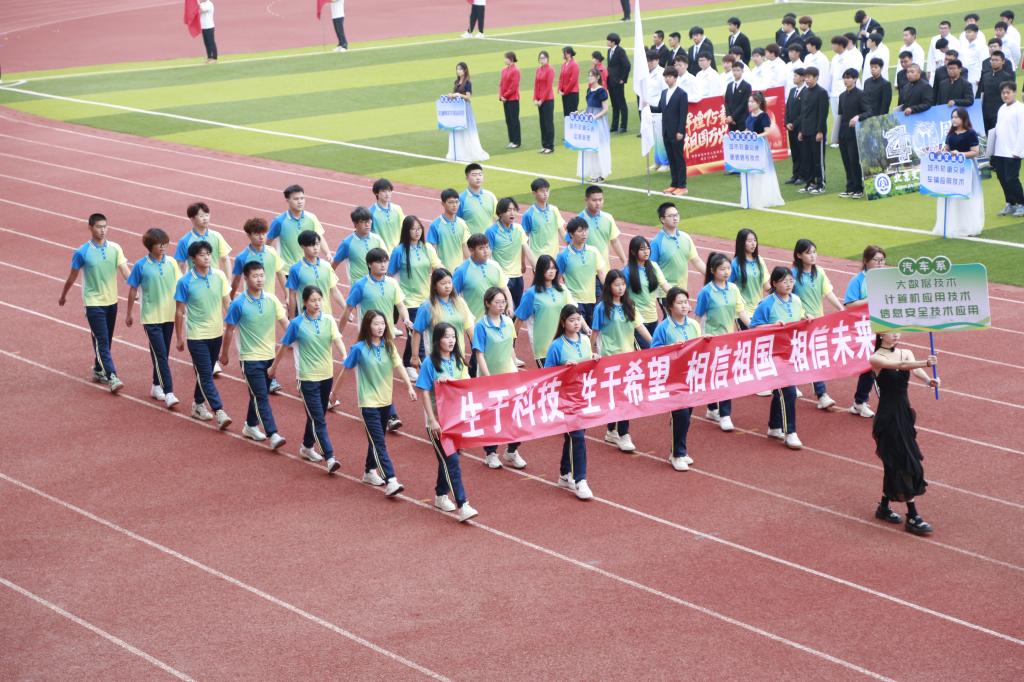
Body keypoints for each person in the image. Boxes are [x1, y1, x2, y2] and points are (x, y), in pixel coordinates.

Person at [337, 310, 416, 496]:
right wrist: (334, 393)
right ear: (368, 326)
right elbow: (345, 371)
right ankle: (391, 480)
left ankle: (369, 471)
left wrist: (409, 387)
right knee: (379, 442)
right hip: (368, 403)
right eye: (376, 324)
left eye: (382, 323)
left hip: (385, 401)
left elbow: (399, 366)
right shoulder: (359, 349)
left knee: (376, 439)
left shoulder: (389, 346)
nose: (380, 327)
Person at [869, 333, 940, 535]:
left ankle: (884, 507)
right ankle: (913, 516)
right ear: (881, 334)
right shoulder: (876, 358)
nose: (895, 335)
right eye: (891, 331)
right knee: (904, 462)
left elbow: (914, 369)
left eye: (897, 331)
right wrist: (926, 362)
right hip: (888, 418)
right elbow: (901, 365)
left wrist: (929, 380)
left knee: (894, 462)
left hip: (904, 416)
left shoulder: (906, 352)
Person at [270, 286, 344, 473]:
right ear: (304, 302)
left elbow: (337, 340)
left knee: (317, 415)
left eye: (319, 299)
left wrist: (344, 356)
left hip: (327, 376)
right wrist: (273, 367)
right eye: (313, 300)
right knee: (318, 418)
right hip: (307, 378)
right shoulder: (297, 324)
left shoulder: (329, 320)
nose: (317, 303)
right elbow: (284, 346)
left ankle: (306, 446)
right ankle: (330, 457)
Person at [59, 212, 130, 393]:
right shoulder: (82, 252)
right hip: (93, 302)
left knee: (105, 340)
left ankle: (98, 369)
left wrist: (134, 289)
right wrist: (64, 295)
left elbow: (124, 270)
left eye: (105, 226)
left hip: (112, 301)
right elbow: (72, 276)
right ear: (90, 228)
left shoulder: (115, 248)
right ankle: (112, 376)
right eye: (99, 227)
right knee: (102, 340)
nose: (103, 230)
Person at [220, 260, 288, 449]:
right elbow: (229, 330)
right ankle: (273, 434)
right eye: (255, 276)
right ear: (246, 278)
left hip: (269, 357)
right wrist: (224, 354)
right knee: (261, 396)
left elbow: (286, 324)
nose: (260, 279)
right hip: (250, 358)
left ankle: (250, 425)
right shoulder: (238, 304)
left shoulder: (272, 300)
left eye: (262, 275)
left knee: (259, 394)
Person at [416, 323, 479, 522]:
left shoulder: (459, 360)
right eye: (446, 337)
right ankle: (463, 504)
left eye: (453, 336)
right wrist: (432, 420)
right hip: (438, 423)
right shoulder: (430, 363)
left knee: (449, 459)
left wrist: (451, 381)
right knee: (451, 461)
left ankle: (440, 494)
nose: (451, 340)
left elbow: (466, 385)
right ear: (437, 340)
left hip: (455, 420)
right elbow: (423, 391)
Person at [592, 270, 652, 452]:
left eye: (623, 285)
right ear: (609, 286)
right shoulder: (602, 308)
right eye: (616, 285)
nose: (620, 288)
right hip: (610, 358)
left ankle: (617, 432)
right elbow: (595, 332)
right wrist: (590, 353)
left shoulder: (629, 305)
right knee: (615, 395)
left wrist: (656, 343)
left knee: (625, 395)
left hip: (628, 359)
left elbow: (640, 327)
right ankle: (619, 432)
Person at [173, 240, 231, 428]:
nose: (207, 258)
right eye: (202, 255)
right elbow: (179, 311)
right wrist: (179, 337)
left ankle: (198, 405)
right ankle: (219, 411)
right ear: (192, 259)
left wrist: (234, 325)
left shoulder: (219, 276)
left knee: (203, 372)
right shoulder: (185, 282)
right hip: (197, 335)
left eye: (208, 254)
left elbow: (227, 303)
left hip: (216, 333)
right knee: (206, 374)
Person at [544, 305, 597, 500]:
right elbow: (547, 374)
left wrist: (594, 359)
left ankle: (565, 473)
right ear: (563, 322)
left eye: (578, 319)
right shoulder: (557, 346)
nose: (576, 323)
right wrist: (563, 368)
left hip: (582, 395)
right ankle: (580, 480)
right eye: (572, 320)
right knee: (577, 436)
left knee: (573, 437)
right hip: (565, 399)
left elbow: (587, 363)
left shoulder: (585, 340)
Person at [750, 267, 806, 450]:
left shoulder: (796, 300)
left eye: (791, 280)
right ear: (774, 283)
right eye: (784, 281)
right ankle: (791, 432)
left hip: (791, 353)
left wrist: (807, 318)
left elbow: (800, 319)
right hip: (773, 355)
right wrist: (772, 326)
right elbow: (753, 328)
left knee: (781, 391)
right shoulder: (767, 304)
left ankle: (774, 426)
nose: (789, 284)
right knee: (789, 392)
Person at [472, 287, 527, 469]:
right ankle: (490, 453)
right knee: (492, 417)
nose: (502, 305)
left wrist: (516, 369)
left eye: (503, 302)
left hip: (509, 376)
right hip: (490, 377)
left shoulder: (508, 322)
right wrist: (487, 378)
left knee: (515, 414)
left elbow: (510, 347)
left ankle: (512, 450)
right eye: (497, 302)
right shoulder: (481, 326)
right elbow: (479, 354)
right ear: (487, 303)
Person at [126, 228, 181, 407]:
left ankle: (156, 386)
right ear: (150, 246)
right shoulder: (140, 266)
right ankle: (169, 392)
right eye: (159, 244)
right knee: (161, 355)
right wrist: (129, 313)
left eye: (165, 243)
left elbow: (180, 285)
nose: (163, 247)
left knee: (162, 353)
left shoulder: (172, 263)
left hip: (169, 315)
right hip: (151, 318)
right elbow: (133, 289)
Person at [694, 252, 749, 431]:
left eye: (728, 268)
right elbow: (698, 317)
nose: (726, 272)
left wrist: (753, 327)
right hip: (711, 339)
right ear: (713, 271)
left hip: (729, 339)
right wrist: (698, 338)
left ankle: (724, 413)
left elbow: (741, 312)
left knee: (726, 376)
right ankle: (714, 409)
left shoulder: (733, 289)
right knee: (715, 375)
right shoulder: (706, 292)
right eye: (722, 269)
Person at [650, 287, 702, 471]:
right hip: (672, 379)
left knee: (686, 416)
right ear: (670, 306)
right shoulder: (663, 328)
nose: (684, 306)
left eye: (686, 302)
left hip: (690, 377)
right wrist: (672, 348)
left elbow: (700, 346)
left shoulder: (694, 325)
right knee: (681, 414)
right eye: (680, 303)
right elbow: (654, 352)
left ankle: (679, 448)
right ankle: (677, 454)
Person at [791, 239, 843, 409]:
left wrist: (840, 308)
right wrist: (803, 315)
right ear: (799, 255)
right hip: (800, 323)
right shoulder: (793, 275)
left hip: (818, 323)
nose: (813, 256)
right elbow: (789, 299)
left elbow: (828, 293)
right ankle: (822, 394)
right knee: (810, 357)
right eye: (808, 253)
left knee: (803, 356)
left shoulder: (819, 272)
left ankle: (790, 382)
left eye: (814, 252)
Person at [387, 216, 441, 378]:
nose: (417, 232)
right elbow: (390, 275)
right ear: (406, 231)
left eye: (419, 229)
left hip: (427, 298)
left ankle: (409, 362)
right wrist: (396, 299)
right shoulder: (399, 251)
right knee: (417, 333)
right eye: (413, 229)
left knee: (426, 333)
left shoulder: (427, 248)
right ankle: (418, 366)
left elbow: (438, 267)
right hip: (408, 300)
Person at [844, 245, 887, 418]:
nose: (880, 263)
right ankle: (861, 402)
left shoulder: (887, 278)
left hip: (884, 327)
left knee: (884, 364)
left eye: (882, 260)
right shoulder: (858, 281)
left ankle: (864, 401)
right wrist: (870, 299)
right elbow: (849, 305)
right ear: (866, 261)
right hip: (866, 329)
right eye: (876, 260)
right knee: (870, 366)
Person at [411, 267, 475, 375]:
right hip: (437, 360)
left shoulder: (460, 302)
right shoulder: (427, 307)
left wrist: (478, 349)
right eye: (443, 283)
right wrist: (414, 356)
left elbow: (470, 328)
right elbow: (417, 332)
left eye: (449, 282)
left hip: (459, 357)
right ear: (435, 286)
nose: (447, 286)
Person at [514, 255, 576, 367]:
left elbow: (573, 313)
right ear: (540, 271)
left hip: (563, 345)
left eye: (553, 268)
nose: (551, 271)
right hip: (543, 349)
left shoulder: (562, 290)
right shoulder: (531, 294)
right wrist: (510, 344)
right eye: (547, 268)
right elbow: (519, 320)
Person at [933, 108, 984, 236]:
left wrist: (960, 154)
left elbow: (975, 152)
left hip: (967, 168)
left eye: (956, 117)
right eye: (952, 117)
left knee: (966, 197)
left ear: (963, 118)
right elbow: (947, 149)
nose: (953, 120)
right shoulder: (950, 134)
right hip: (952, 169)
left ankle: (968, 226)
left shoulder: (970, 133)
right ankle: (953, 225)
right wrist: (941, 152)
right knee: (952, 197)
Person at [485, 197, 534, 310]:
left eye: (514, 210)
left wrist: (536, 268)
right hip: (502, 279)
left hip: (517, 277)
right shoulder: (491, 231)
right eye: (508, 210)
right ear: (500, 213)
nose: (512, 213)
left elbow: (527, 250)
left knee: (516, 310)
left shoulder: (519, 229)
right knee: (502, 310)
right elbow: (488, 257)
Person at [555, 216, 607, 324]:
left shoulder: (594, 251)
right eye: (580, 231)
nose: (584, 234)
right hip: (574, 302)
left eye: (585, 230)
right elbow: (556, 280)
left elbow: (602, 274)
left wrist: (609, 292)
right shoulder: (563, 256)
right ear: (571, 234)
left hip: (593, 301)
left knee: (592, 331)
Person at [648, 66, 689, 195]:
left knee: (678, 159)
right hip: (666, 131)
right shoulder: (664, 92)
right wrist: (647, 106)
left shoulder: (682, 94)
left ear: (675, 78)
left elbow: (683, 115)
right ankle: (674, 184)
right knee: (671, 158)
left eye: (669, 77)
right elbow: (660, 109)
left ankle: (682, 186)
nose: (667, 79)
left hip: (677, 132)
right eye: (665, 77)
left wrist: (680, 131)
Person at [285, 230, 344, 318]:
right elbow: (292, 296)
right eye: (311, 245)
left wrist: (345, 309)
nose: (315, 248)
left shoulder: (327, 266)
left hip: (326, 316)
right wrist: (292, 318)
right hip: (305, 318)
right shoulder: (295, 269)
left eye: (317, 244)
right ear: (302, 246)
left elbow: (334, 291)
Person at [622, 236, 668, 346]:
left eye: (647, 248)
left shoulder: (654, 267)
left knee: (655, 350)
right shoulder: (627, 272)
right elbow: (622, 295)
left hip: (653, 318)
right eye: (642, 249)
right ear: (633, 252)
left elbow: (665, 285)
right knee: (646, 350)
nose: (646, 251)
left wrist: (679, 298)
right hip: (637, 321)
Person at [650, 201, 705, 295]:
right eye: (671, 216)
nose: (675, 218)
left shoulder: (686, 237)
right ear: (662, 219)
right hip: (666, 294)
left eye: (676, 215)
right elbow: (651, 267)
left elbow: (696, 261)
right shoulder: (656, 242)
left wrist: (712, 276)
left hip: (683, 292)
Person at [742, 92, 785, 209]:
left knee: (761, 170)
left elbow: (767, 132)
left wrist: (756, 136)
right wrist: (742, 134)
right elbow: (747, 129)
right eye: (749, 101)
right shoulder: (750, 115)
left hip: (760, 146)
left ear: (759, 103)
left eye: (752, 102)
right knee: (751, 171)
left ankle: (764, 198)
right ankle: (753, 197)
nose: (750, 104)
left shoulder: (763, 116)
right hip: (750, 147)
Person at [268, 184, 328, 268]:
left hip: (307, 267)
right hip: (287, 268)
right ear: (287, 200)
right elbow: (268, 242)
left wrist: (328, 253)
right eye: (296, 199)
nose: (300, 202)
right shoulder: (279, 221)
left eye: (302, 198)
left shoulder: (311, 218)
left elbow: (319, 236)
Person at [989, 81, 1024, 217]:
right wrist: (992, 150)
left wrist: (1017, 151)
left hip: (1013, 152)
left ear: (1014, 92)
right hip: (999, 151)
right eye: (1003, 93)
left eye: (1008, 92)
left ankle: (1021, 204)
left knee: (1011, 179)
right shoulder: (1001, 108)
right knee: (1002, 178)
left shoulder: (1020, 109)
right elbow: (998, 130)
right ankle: (1010, 203)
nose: (1005, 95)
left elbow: (1022, 132)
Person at [231, 217, 285, 301]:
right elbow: (236, 281)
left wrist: (287, 295)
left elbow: (280, 274)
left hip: (270, 300)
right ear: (249, 235)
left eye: (263, 234)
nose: (261, 237)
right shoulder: (242, 257)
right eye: (257, 234)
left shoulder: (272, 252)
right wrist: (231, 297)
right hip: (251, 301)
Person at [333, 206, 388, 287]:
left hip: (377, 283)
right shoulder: (347, 243)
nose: (367, 225)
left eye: (369, 221)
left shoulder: (377, 239)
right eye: (363, 222)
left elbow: (386, 259)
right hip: (358, 286)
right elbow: (334, 264)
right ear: (355, 223)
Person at [448, 62, 490, 162]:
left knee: (465, 128)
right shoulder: (456, 82)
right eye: (457, 69)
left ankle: (467, 151)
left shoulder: (467, 83)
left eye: (460, 69)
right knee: (457, 129)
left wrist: (458, 95)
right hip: (457, 108)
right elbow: (455, 94)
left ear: (465, 70)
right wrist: (451, 95)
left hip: (465, 108)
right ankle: (459, 151)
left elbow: (468, 97)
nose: (458, 71)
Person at [578, 185, 626, 274]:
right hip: (586, 271)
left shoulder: (608, 218)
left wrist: (624, 261)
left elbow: (614, 241)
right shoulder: (579, 220)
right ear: (586, 200)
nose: (598, 203)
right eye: (594, 200)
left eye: (600, 200)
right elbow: (570, 244)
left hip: (604, 270)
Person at [797, 66, 830, 194]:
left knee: (818, 160)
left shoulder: (821, 92)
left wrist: (820, 131)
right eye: (805, 77)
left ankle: (821, 184)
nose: (807, 79)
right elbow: (803, 113)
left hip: (816, 131)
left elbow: (823, 114)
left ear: (816, 77)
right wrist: (801, 130)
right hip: (806, 130)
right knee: (808, 159)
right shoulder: (805, 92)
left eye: (810, 77)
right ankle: (810, 183)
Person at [175, 202, 230, 274]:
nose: (205, 218)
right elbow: (179, 265)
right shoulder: (184, 241)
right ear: (192, 218)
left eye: (207, 215)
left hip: (214, 278)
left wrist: (228, 279)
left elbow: (225, 259)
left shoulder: (217, 236)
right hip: (194, 279)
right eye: (201, 216)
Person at [728, 228, 769, 325]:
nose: (753, 244)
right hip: (743, 312)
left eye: (755, 240)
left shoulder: (760, 260)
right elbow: (728, 286)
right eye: (749, 241)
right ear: (742, 243)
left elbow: (766, 285)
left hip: (759, 310)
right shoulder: (735, 263)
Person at [579, 69, 612, 182]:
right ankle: (593, 173)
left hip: (598, 122)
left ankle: (601, 174)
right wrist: (581, 114)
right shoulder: (589, 90)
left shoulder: (602, 91)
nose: (590, 78)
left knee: (598, 148)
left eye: (592, 76)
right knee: (590, 148)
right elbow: (588, 107)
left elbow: (605, 109)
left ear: (597, 77)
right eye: (589, 75)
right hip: (590, 121)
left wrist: (595, 117)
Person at [837, 68, 866, 199]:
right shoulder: (842, 96)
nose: (846, 80)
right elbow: (840, 117)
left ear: (855, 79)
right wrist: (837, 135)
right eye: (845, 78)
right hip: (843, 133)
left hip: (855, 133)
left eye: (849, 78)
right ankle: (849, 188)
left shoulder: (861, 94)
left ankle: (858, 188)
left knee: (854, 161)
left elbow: (869, 111)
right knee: (846, 161)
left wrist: (858, 117)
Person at [427, 189, 471, 272]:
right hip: (443, 272)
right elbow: (432, 251)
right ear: (443, 204)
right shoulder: (435, 225)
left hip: (459, 271)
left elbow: (465, 247)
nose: (454, 205)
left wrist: (471, 266)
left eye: (456, 202)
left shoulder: (462, 223)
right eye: (450, 202)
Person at [521, 178, 566, 259]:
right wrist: (523, 260)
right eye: (542, 191)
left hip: (555, 257)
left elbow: (562, 231)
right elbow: (524, 240)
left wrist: (572, 246)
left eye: (547, 190)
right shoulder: (529, 215)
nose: (545, 194)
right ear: (534, 193)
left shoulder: (554, 210)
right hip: (538, 258)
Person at [977, 51, 1014, 134]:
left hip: (1000, 112)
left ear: (1003, 61)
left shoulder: (1007, 77)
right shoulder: (985, 76)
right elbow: (980, 92)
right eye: (992, 60)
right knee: (987, 136)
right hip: (985, 112)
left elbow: (1010, 97)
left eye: (997, 60)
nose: (994, 62)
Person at [457, 163, 497, 234]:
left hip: (489, 239)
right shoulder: (461, 199)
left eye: (480, 175)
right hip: (470, 240)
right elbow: (456, 222)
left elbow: (498, 218)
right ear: (467, 178)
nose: (478, 178)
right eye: (474, 175)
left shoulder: (491, 196)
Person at [784, 67, 805, 185]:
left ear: (802, 78)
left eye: (796, 76)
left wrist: (794, 123)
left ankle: (803, 175)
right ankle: (795, 174)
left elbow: (804, 112)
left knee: (802, 152)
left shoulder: (806, 91)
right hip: (791, 127)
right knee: (795, 152)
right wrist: (787, 122)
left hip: (800, 127)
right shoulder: (792, 90)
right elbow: (787, 108)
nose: (794, 78)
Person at [606, 33, 631, 133]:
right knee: (614, 104)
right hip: (610, 81)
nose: (607, 42)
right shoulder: (609, 51)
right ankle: (614, 125)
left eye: (608, 40)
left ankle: (623, 126)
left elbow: (627, 65)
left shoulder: (620, 51)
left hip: (618, 82)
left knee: (621, 104)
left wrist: (623, 79)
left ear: (613, 42)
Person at [534, 51, 556, 154]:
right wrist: (535, 98)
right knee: (542, 123)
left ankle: (550, 146)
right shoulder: (538, 69)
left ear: (547, 58)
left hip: (547, 100)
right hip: (539, 101)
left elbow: (548, 87)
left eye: (543, 58)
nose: (541, 60)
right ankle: (544, 145)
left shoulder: (550, 70)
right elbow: (536, 85)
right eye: (540, 58)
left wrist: (541, 100)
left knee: (548, 123)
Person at [499, 52, 522, 149]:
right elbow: (501, 84)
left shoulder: (516, 70)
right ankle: (511, 140)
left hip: (513, 99)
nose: (504, 60)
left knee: (514, 120)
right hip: (505, 99)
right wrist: (501, 96)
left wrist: (505, 95)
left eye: (506, 58)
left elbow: (514, 86)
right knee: (508, 120)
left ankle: (517, 141)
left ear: (511, 59)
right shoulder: (504, 70)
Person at [724, 62, 752, 134]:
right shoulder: (729, 85)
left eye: (738, 70)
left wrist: (733, 117)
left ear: (742, 71)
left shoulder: (747, 86)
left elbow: (744, 104)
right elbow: (726, 102)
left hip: (742, 120)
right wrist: (729, 116)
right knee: (732, 139)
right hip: (731, 121)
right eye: (734, 70)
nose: (735, 72)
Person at [959, 24, 985, 91]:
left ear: (976, 33)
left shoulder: (981, 46)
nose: (967, 34)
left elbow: (983, 62)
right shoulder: (964, 45)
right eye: (966, 32)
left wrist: (979, 78)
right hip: (963, 77)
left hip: (975, 78)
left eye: (969, 32)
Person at [558, 46, 581, 119]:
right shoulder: (564, 64)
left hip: (572, 94)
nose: (562, 55)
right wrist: (559, 89)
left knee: (572, 115)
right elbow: (561, 78)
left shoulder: (574, 65)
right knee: (566, 114)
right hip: (565, 93)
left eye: (564, 53)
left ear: (568, 54)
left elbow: (573, 81)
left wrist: (565, 91)